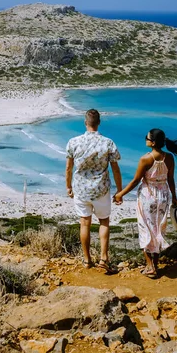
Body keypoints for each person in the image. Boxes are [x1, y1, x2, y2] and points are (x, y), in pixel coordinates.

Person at [114, 128, 177, 278]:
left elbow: (136, 181)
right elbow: (170, 179)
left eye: (147, 137)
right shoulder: (169, 158)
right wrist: (174, 197)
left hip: (148, 197)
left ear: (153, 142)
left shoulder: (146, 159)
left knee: (146, 229)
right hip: (163, 196)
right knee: (158, 230)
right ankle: (154, 264)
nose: (145, 139)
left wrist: (120, 194)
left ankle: (150, 266)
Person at [66, 109, 123, 271]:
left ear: (85, 123)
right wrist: (119, 191)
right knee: (104, 222)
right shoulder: (108, 143)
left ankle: (86, 260)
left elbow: (68, 169)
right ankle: (104, 258)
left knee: (84, 224)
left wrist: (69, 187)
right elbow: (116, 170)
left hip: (81, 189)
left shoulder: (73, 142)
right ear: (98, 123)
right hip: (101, 189)